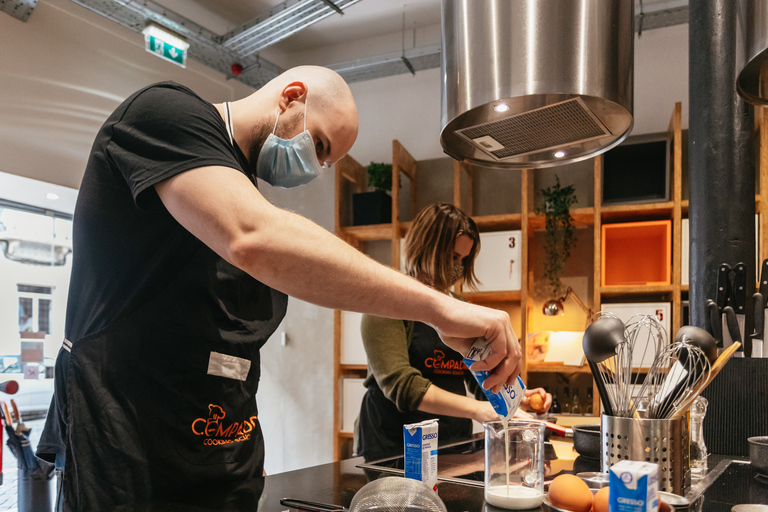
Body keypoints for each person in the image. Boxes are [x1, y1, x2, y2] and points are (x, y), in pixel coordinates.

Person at [35, 66, 522, 511]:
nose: (318, 166)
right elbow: (254, 237)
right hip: (128, 445)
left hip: (220, 451)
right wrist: (440, 310)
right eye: (323, 147)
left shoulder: (240, 186)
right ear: (291, 98)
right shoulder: (166, 115)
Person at [357, 203, 552, 462]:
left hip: (451, 441)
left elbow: (480, 373)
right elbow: (404, 386)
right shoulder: (388, 302)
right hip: (393, 442)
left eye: (463, 260)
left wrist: (514, 396)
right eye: (452, 257)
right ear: (425, 247)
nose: (458, 268)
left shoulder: (461, 307)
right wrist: (479, 410)